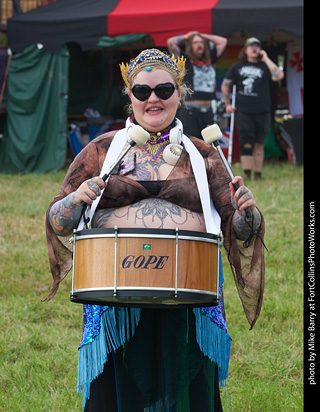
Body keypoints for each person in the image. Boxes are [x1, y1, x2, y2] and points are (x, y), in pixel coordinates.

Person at [45, 48, 265, 412]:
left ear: (179, 92)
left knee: (185, 391)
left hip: (189, 292)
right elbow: (58, 221)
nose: (153, 99)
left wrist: (247, 212)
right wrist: (76, 200)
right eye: (141, 91)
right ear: (129, 96)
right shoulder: (101, 150)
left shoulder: (205, 154)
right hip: (115, 296)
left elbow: (240, 230)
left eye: (164, 90)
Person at [221, 37, 284, 180]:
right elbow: (226, 85)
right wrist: (228, 104)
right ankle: (247, 174)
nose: (254, 48)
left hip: (262, 110)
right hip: (243, 110)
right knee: (247, 142)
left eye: (257, 46)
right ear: (245, 50)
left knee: (260, 143)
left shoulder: (265, 67)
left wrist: (266, 58)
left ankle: (258, 174)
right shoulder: (237, 67)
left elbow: (279, 75)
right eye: (251, 46)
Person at [167, 32, 227, 139]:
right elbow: (171, 42)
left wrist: (203, 36)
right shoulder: (184, 59)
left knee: (209, 145)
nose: (199, 45)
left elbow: (223, 41)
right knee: (191, 143)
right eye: (195, 42)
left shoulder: (210, 58)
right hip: (190, 110)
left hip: (209, 110)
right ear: (190, 45)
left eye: (201, 42)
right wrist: (187, 36)